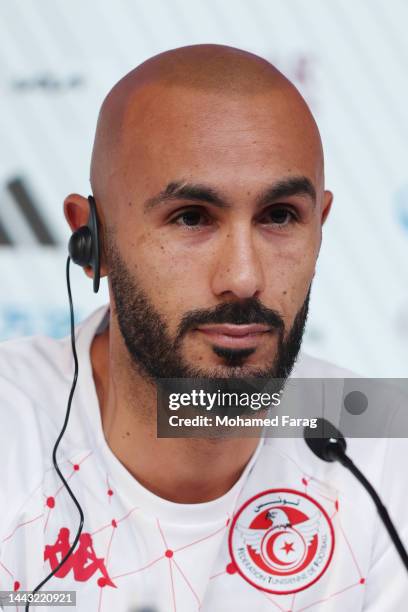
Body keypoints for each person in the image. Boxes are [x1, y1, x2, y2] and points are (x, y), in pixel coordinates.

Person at [0, 44, 406, 612]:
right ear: (93, 241)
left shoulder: (380, 446)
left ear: (321, 226)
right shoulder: (10, 427)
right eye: (191, 218)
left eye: (280, 216)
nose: (243, 278)